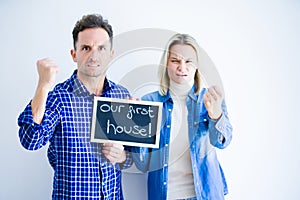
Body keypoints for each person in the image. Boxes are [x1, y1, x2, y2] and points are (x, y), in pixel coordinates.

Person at [17, 14, 132, 199]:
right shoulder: (58, 98)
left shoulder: (122, 95)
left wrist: (123, 157)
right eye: (86, 48)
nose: (94, 55)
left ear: (111, 54)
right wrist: (43, 85)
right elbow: (31, 140)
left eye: (101, 48)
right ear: (74, 54)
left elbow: (134, 158)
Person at [132, 34, 233, 200]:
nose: (182, 67)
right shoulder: (149, 102)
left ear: (197, 65)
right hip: (165, 195)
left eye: (188, 61)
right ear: (166, 64)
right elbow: (142, 163)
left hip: (205, 195)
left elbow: (222, 141)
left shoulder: (210, 98)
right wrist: (135, 129)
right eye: (175, 60)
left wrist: (216, 115)